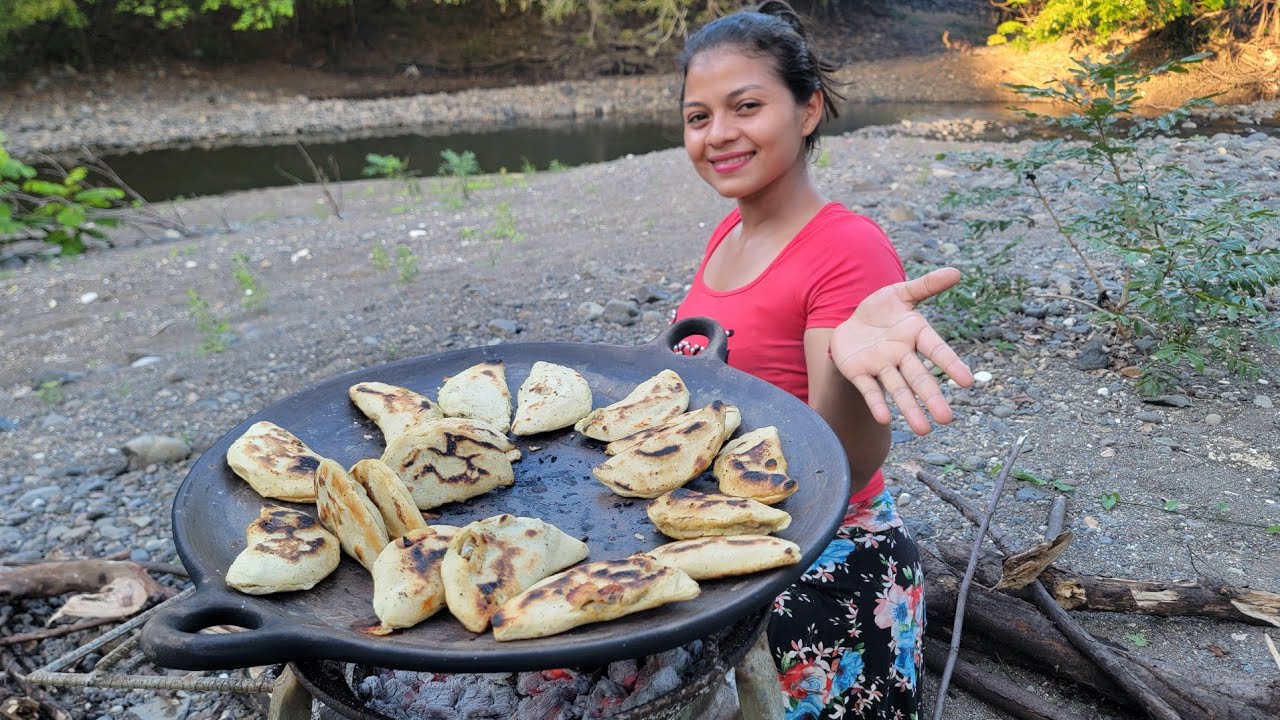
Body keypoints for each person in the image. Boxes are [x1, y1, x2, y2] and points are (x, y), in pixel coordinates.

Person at [669, 2, 974, 718]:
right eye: (698, 117)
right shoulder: (728, 235)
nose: (718, 134)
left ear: (808, 110)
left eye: (747, 107)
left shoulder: (845, 249)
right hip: (739, 539)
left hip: (824, 568)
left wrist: (842, 358)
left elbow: (850, 467)